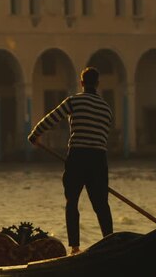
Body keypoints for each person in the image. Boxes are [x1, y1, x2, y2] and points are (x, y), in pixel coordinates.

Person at [27, 67, 114, 255]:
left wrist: (35, 134)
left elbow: (53, 117)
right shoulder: (106, 109)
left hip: (78, 156)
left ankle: (75, 247)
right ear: (97, 84)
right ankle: (110, 242)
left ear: (82, 83)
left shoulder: (74, 101)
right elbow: (104, 135)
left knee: (72, 201)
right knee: (101, 204)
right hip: (99, 159)